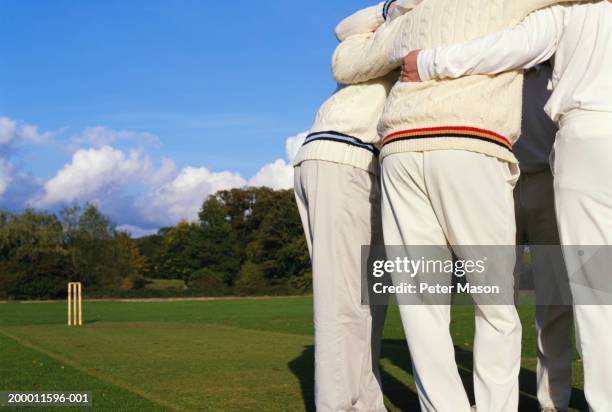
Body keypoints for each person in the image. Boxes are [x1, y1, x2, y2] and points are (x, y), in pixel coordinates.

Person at [328, 1, 588, 411]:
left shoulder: (410, 14)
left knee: (422, 307)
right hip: (469, 146)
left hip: (400, 148)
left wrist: (389, 8)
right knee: (495, 306)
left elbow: (346, 62)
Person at [401, 2, 612, 409]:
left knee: (595, 291)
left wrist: (429, 61)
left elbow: (503, 46)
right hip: (523, 174)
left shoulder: (564, 11)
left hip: (585, 140)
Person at [293, 2, 421, 410]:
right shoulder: (392, 28)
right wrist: (391, 7)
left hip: (371, 163)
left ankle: (366, 402)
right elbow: (342, 26)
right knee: (342, 303)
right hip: (339, 152)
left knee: (369, 302)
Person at [516, 64, 573, 412]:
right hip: (497, 181)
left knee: (554, 301)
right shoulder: (501, 60)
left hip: (549, 181)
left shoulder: (562, 61)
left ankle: (552, 401)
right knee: (492, 300)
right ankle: (497, 399)